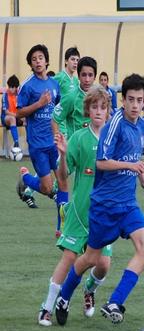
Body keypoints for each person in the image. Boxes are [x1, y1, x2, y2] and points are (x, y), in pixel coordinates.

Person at [55, 74, 144, 326]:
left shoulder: (141, 125)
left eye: (139, 100)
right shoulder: (115, 125)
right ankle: (63, 297)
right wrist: (131, 166)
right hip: (104, 206)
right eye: (130, 99)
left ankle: (115, 302)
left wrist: (143, 182)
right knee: (90, 259)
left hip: (128, 204)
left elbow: (134, 159)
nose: (135, 105)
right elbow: (101, 162)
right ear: (122, 100)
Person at [38, 86, 113, 326]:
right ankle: (46, 308)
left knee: (103, 264)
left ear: (108, 111)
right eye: (94, 107)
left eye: (103, 107)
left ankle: (89, 290)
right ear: (88, 111)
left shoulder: (113, 138)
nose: (98, 111)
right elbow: (62, 178)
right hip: (79, 212)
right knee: (69, 257)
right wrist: (62, 153)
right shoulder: (79, 139)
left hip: (103, 213)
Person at [16, 44, 64, 208]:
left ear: (46, 61)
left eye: (40, 58)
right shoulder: (27, 85)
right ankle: (26, 178)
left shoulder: (54, 84)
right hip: (37, 144)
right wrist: (39, 103)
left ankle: (63, 227)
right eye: (34, 59)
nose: (37, 62)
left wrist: (59, 133)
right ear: (30, 64)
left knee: (63, 184)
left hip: (53, 143)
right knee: (47, 188)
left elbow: (58, 109)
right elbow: (19, 113)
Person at [52, 56, 97, 139]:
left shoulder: (99, 96)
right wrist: (60, 143)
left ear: (95, 77)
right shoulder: (71, 97)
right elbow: (55, 119)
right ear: (78, 76)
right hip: (76, 149)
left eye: (90, 75)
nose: (87, 79)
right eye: (84, 75)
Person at [1, 75, 25, 150]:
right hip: (6, 118)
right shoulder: (5, 95)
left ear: (16, 87)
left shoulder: (19, 95)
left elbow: (22, 109)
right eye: (10, 87)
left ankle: (32, 142)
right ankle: (16, 143)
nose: (10, 89)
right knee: (12, 119)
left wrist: (23, 117)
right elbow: (7, 112)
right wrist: (17, 116)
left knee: (29, 120)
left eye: (12, 87)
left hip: (17, 117)